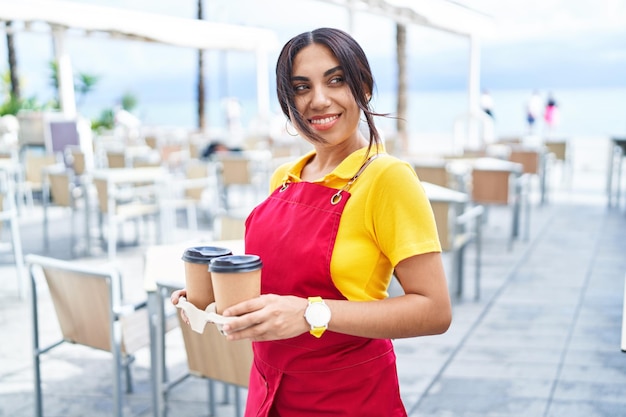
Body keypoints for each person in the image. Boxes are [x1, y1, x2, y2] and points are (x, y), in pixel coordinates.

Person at [171, 27, 451, 416]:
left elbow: (435, 310)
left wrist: (310, 314)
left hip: (348, 397)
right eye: (301, 87)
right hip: (268, 392)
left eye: (336, 80)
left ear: (364, 87)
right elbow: (278, 283)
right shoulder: (286, 176)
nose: (319, 100)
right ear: (288, 102)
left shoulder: (387, 177)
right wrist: (215, 299)